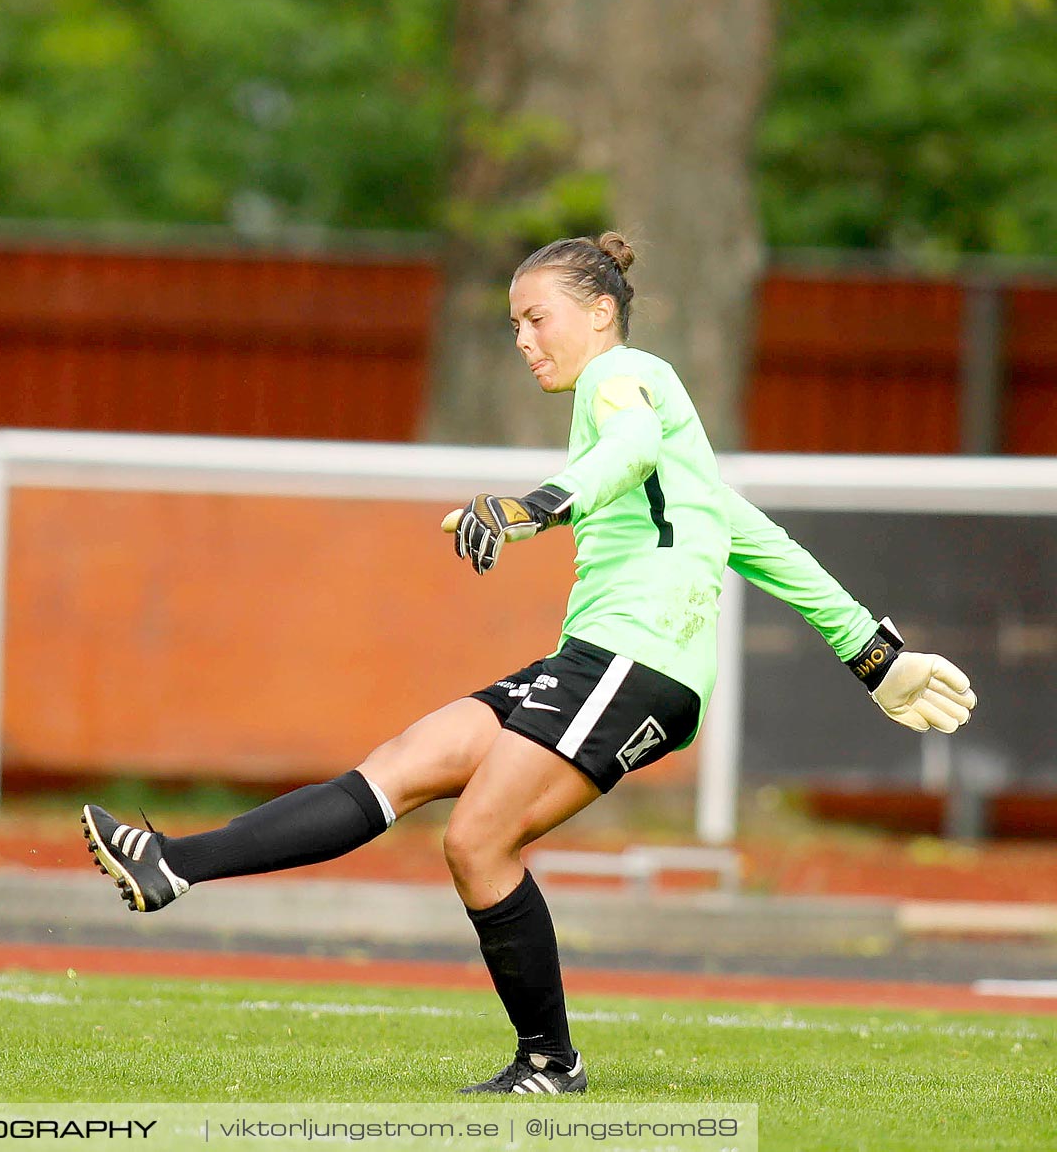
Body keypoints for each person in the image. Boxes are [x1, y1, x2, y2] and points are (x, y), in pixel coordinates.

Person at [80, 232, 976, 1095]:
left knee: (476, 839)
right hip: (594, 656)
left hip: (637, 661)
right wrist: (871, 650)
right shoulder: (663, 421)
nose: (522, 339)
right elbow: (756, 538)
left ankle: (551, 1062)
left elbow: (623, 454)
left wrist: (537, 505)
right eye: (513, 324)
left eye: (535, 318)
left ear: (597, 312)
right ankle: (172, 862)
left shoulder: (624, 379)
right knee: (403, 763)